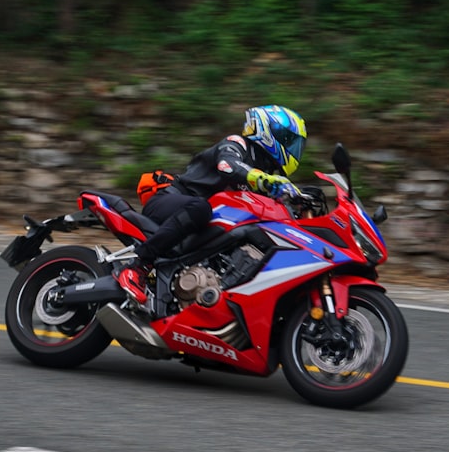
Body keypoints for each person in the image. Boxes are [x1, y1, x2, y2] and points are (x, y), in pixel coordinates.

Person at [115, 104, 307, 303]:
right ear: (269, 131)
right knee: (201, 208)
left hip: (199, 224)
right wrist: (264, 179)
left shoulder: (263, 176)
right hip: (170, 202)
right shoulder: (237, 143)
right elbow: (228, 166)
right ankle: (137, 266)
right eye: (288, 141)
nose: (293, 149)